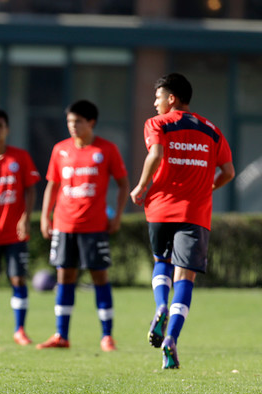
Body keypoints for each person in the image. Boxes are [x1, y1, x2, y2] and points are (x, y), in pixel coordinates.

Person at [130, 73, 234, 369]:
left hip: (161, 208)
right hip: (196, 214)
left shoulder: (158, 124)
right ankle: (171, 339)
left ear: (171, 98)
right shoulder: (212, 130)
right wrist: (208, 187)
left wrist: (141, 186)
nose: (154, 103)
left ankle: (160, 305)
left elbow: (156, 153)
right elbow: (228, 171)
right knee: (185, 277)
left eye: (158, 97)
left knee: (161, 262)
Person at [38, 100, 129, 352]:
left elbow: (123, 184)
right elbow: (52, 186)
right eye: (69, 121)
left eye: (78, 121)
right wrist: (46, 217)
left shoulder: (107, 149)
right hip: (64, 225)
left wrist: (118, 215)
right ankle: (61, 335)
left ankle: (107, 335)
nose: (73, 126)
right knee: (64, 277)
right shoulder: (60, 150)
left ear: (91, 122)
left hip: (94, 225)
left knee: (99, 276)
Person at [0, 109, 41, 345]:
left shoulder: (19, 157)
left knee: (18, 279)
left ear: (7, 129)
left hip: (15, 232)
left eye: (0, 126)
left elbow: (31, 188)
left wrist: (25, 217)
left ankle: (19, 329)